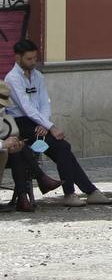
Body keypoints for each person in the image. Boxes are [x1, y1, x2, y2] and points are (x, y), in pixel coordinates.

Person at [4, 39, 110, 206]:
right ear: (18, 58)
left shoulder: (38, 76)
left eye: (34, 58)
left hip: (38, 124)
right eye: (28, 59)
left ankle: (85, 191)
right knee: (62, 147)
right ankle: (80, 192)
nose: (33, 62)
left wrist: (45, 124)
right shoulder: (12, 78)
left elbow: (45, 102)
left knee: (62, 149)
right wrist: (50, 126)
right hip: (22, 125)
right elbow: (25, 107)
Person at [0, 84, 58, 213]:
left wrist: (11, 143)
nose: (2, 107)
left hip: (4, 153)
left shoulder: (2, 113)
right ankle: (40, 179)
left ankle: (23, 199)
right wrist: (4, 144)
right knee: (17, 151)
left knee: (19, 151)